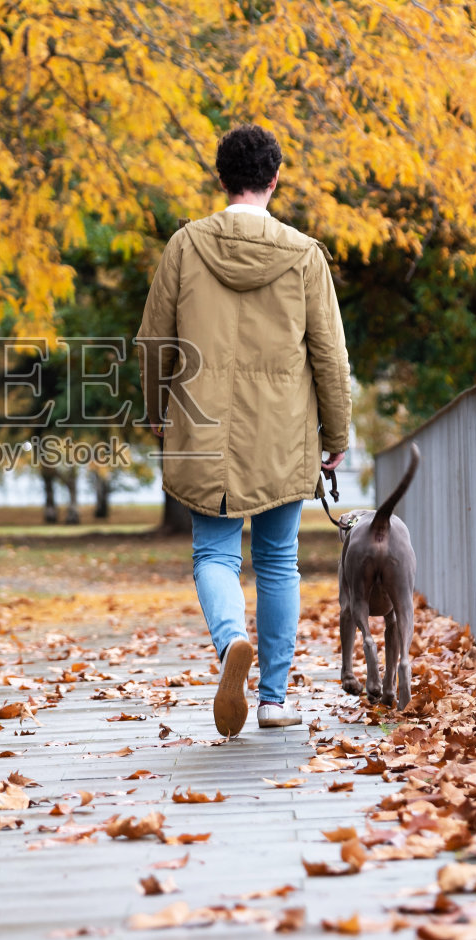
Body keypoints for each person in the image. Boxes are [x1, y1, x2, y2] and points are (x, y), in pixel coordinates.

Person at [137, 124, 352, 737]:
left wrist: (157, 409)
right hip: (281, 434)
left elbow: (154, 342)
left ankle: (233, 640)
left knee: (213, 554)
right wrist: (337, 430)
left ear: (221, 178)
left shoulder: (185, 246)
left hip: (202, 427)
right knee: (280, 561)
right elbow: (329, 355)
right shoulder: (305, 254)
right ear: (275, 178)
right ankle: (275, 700)